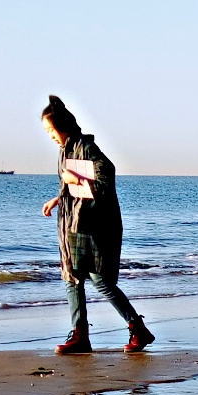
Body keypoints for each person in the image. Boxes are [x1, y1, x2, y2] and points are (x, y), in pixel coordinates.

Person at [40, 95, 155, 354]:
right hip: (73, 225)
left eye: (50, 129)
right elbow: (74, 185)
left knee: (99, 280)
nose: (49, 135)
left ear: (62, 125)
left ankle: (138, 329)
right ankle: (80, 335)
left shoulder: (85, 147)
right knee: (72, 278)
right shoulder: (66, 149)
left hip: (93, 226)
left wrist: (75, 178)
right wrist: (59, 198)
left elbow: (105, 179)